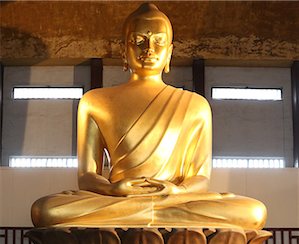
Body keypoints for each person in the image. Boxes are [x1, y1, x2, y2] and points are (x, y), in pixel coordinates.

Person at [31, 2, 267, 230]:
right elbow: (86, 176)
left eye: (158, 42)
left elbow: (201, 178)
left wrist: (177, 191)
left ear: (170, 52)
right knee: (47, 210)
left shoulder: (195, 105)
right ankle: (160, 219)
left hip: (172, 199)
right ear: (124, 50)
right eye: (139, 41)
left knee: (253, 212)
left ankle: (152, 216)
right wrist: (115, 190)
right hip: (119, 199)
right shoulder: (95, 101)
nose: (149, 50)